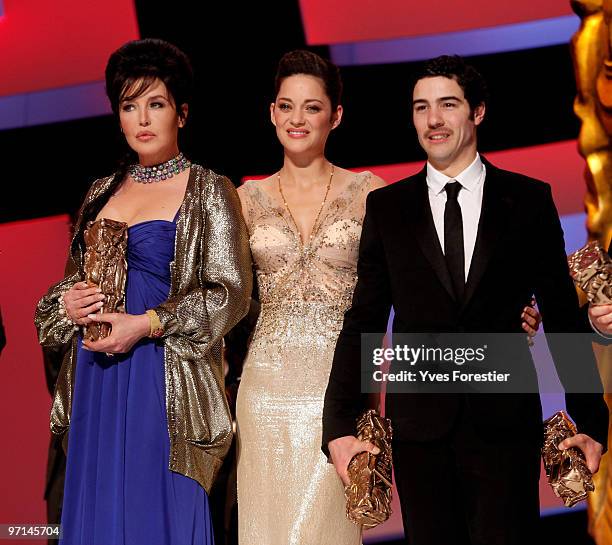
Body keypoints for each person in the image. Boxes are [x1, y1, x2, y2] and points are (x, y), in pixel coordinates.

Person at [234, 50, 541, 544]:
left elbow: (418, 294)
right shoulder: (242, 200)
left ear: (335, 115)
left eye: (312, 107)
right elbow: (226, 299)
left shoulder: (372, 195)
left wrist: (512, 316)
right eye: (286, 106)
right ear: (271, 112)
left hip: (347, 388)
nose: (297, 119)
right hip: (265, 393)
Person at [322, 55, 609, 545]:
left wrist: (591, 421)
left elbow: (560, 317)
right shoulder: (388, 208)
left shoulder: (528, 200)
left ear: (477, 112)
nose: (432, 120)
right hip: (419, 434)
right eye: (420, 107)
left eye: (447, 104)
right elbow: (363, 321)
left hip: (505, 429)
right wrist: (338, 426)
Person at [35, 38, 252, 545]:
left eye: (155, 104)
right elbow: (64, 290)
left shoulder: (209, 190)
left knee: (155, 514)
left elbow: (230, 294)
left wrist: (147, 323)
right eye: (129, 106)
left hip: (162, 380)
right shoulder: (101, 191)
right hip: (95, 378)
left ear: (182, 112)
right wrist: (68, 303)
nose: (142, 119)